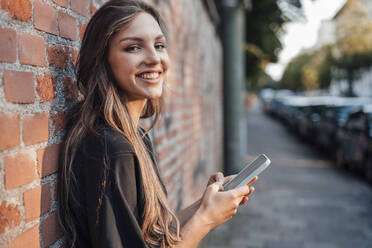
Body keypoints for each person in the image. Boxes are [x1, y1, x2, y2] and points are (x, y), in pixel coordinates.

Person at [57, 0, 257, 247]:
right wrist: (206, 219)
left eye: (159, 45)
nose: (154, 58)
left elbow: (152, 234)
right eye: (133, 48)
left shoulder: (134, 135)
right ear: (103, 59)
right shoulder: (112, 149)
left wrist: (203, 205)